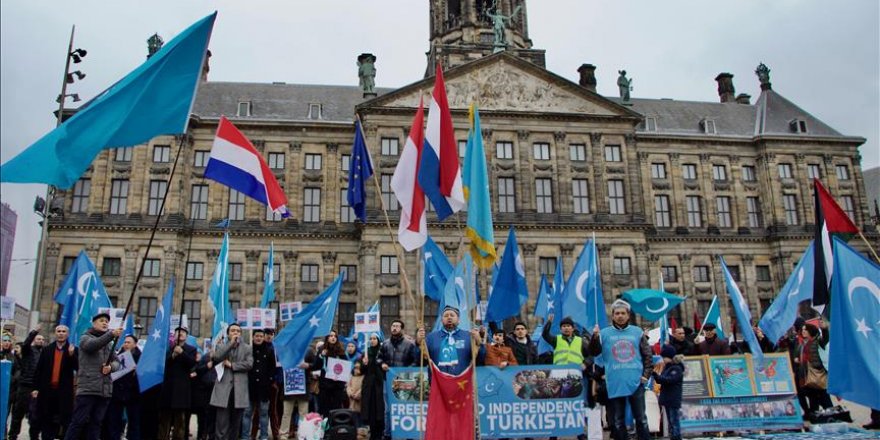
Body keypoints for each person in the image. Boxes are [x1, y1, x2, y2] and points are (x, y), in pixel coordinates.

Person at [588, 299, 653, 440]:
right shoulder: (603, 333)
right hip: (615, 383)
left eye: (623, 313)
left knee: (641, 419)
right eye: (617, 313)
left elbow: (648, 355)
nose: (620, 316)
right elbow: (593, 352)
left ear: (628, 315)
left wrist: (646, 375)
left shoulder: (637, 332)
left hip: (636, 382)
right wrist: (594, 337)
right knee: (618, 421)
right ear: (612, 316)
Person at [62, 312, 123, 440]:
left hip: (104, 390)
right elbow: (92, 346)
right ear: (94, 323)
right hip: (88, 389)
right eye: (101, 321)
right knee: (78, 421)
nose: (105, 323)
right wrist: (111, 334)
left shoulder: (108, 343)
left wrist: (110, 367)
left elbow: (118, 362)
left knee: (96, 424)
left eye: (106, 321)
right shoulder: (85, 337)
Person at [378, 319, 423, 439]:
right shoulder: (385, 344)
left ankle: (404, 434)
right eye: (393, 326)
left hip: (405, 381)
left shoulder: (410, 344)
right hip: (387, 381)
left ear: (402, 329)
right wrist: (382, 364)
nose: (394, 328)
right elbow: (379, 358)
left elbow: (416, 361)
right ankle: (388, 434)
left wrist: (405, 371)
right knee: (388, 410)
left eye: (397, 326)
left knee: (403, 408)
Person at [210, 323, 253, 440]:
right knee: (221, 423)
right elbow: (217, 357)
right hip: (223, 389)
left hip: (239, 390)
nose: (236, 333)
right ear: (228, 334)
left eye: (238, 331)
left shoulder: (247, 348)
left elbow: (249, 364)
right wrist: (230, 344)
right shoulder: (221, 346)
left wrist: (232, 365)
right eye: (233, 331)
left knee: (236, 423)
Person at [158, 326, 198, 440]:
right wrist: (173, 355)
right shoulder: (168, 348)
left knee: (179, 421)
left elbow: (192, 364)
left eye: (183, 332)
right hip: (168, 389)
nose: (180, 334)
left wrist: (182, 353)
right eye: (178, 332)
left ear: (186, 336)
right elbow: (163, 364)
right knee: (164, 420)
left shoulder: (191, 349)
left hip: (181, 390)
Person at [424, 306, 485, 376]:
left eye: (452, 315)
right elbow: (420, 360)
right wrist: (418, 342)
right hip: (438, 383)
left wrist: (479, 342)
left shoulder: (468, 336)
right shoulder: (431, 337)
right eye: (446, 315)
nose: (449, 317)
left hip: (462, 383)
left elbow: (480, 360)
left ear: (458, 320)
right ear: (441, 320)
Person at [7, 326, 43, 440]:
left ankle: (34, 436)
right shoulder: (28, 350)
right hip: (25, 386)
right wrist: (34, 332)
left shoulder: (44, 353)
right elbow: (26, 343)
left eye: (42, 339)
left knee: (35, 416)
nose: (40, 341)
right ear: (34, 340)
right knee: (18, 413)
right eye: (38, 339)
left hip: (37, 388)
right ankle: (13, 435)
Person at [105, 335, 142, 440]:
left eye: (129, 342)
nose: (126, 344)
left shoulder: (141, 357)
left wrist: (138, 370)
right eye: (125, 342)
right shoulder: (117, 356)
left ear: (135, 344)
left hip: (134, 393)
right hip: (118, 393)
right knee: (115, 420)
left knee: (134, 420)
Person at [243, 328, 276, 440]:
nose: (259, 338)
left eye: (261, 336)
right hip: (249, 387)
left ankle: (264, 436)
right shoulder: (248, 350)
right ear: (253, 337)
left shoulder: (269, 350)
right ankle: (245, 437)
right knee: (247, 414)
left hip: (264, 388)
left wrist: (269, 381)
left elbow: (273, 367)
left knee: (263, 414)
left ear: (263, 338)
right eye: (257, 336)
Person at [308, 330, 349, 417]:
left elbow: (345, 365)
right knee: (325, 408)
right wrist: (321, 356)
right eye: (330, 336)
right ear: (327, 338)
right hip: (325, 385)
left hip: (337, 385)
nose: (333, 337)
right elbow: (316, 365)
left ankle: (335, 426)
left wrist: (339, 375)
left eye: (334, 336)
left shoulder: (341, 350)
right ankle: (326, 426)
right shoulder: (322, 349)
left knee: (336, 408)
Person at [795, 323, 832, 414]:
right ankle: (814, 415)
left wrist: (824, 329)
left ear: (810, 331)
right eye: (802, 329)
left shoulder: (817, 341)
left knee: (823, 396)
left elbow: (825, 339)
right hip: (806, 374)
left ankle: (832, 414)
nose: (803, 331)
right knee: (813, 397)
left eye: (805, 329)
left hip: (817, 374)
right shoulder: (802, 344)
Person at [652, 345, 684, 440]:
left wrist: (657, 376)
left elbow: (669, 380)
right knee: (671, 422)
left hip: (673, 399)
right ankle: (672, 436)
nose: (663, 359)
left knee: (674, 421)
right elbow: (662, 380)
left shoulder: (676, 368)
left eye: (664, 357)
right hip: (667, 398)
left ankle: (676, 437)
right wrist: (656, 376)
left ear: (669, 357)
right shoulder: (667, 368)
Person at [359, 334, 385, 440]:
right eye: (370, 339)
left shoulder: (382, 351)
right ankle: (372, 432)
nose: (372, 340)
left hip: (380, 384)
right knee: (370, 410)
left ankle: (380, 433)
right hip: (369, 385)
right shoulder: (366, 353)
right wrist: (364, 364)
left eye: (374, 339)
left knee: (380, 409)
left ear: (378, 340)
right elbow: (362, 370)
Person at [192, 346, 217, 440]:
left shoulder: (221, 357)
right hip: (203, 392)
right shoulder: (205, 358)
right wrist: (207, 365)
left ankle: (211, 435)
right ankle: (202, 435)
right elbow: (198, 371)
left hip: (214, 391)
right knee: (203, 416)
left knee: (212, 416)